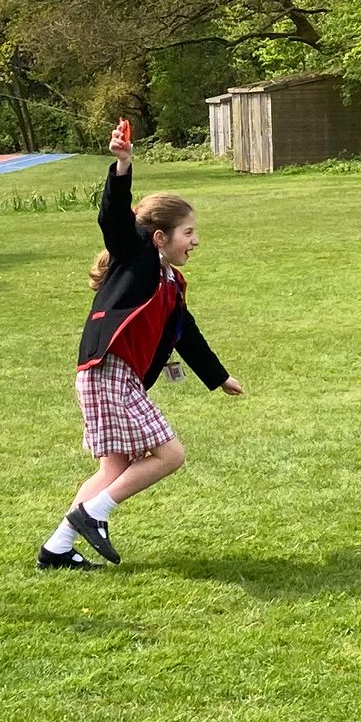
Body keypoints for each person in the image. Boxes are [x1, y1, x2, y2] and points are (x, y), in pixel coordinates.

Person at [37, 120, 244, 570]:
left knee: (113, 470)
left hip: (113, 377)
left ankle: (56, 549)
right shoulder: (138, 259)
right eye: (188, 232)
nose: (196, 241)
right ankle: (95, 514)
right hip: (108, 371)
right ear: (159, 237)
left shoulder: (171, 282)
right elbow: (113, 218)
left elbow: (186, 335)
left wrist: (220, 376)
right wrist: (122, 164)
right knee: (170, 454)